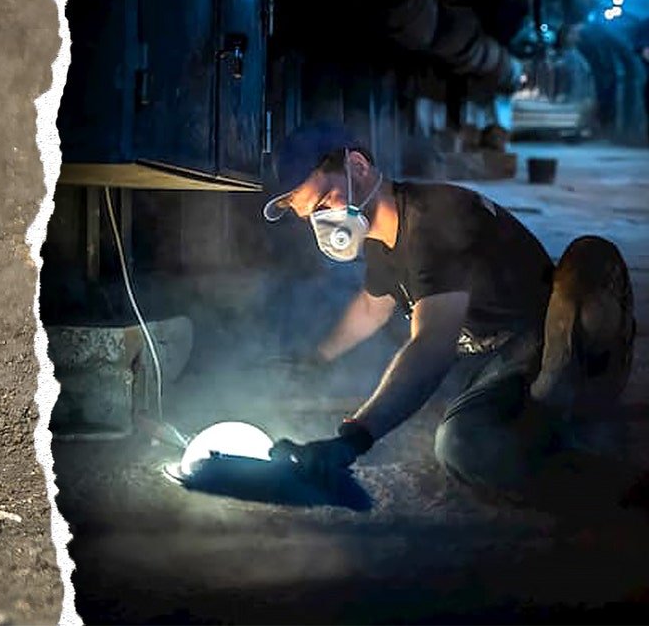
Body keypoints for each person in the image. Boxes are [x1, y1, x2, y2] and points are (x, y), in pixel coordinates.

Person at [260, 123, 637, 503]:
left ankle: (606, 477)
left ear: (358, 167)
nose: (322, 224)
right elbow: (372, 306)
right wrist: (316, 359)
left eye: (324, 203)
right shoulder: (385, 232)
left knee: (461, 444)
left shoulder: (433, 225)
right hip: (479, 348)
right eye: (310, 216)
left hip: (527, 337)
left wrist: (354, 439)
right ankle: (537, 414)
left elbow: (431, 346)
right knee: (391, 383)